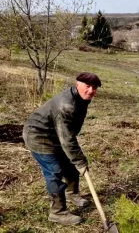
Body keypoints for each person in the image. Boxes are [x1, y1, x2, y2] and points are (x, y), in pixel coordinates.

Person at [22, 72, 101, 225]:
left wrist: (75, 159)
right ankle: (57, 212)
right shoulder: (66, 105)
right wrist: (80, 160)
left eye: (94, 87)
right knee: (54, 171)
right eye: (87, 86)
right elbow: (67, 139)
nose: (91, 90)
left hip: (55, 134)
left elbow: (69, 132)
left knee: (70, 165)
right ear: (77, 84)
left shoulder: (81, 99)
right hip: (38, 135)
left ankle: (73, 194)